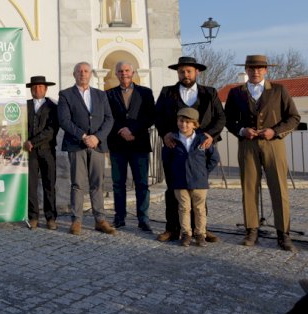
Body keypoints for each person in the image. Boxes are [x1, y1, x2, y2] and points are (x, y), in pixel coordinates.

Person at [225, 55, 301, 251]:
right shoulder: (236, 93)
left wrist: (274, 131)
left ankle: (283, 234)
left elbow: (294, 117)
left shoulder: (278, 90)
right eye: (251, 68)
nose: (255, 71)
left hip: (273, 144)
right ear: (247, 70)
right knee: (249, 188)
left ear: (266, 70)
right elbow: (228, 119)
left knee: (279, 188)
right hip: (247, 145)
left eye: (259, 68)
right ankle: (251, 230)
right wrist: (242, 130)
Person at [154, 56, 225, 243]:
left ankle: (201, 229)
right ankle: (172, 229)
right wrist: (165, 133)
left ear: (196, 72)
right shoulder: (167, 92)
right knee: (173, 189)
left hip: (200, 150)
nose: (185, 74)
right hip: (175, 147)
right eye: (181, 71)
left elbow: (220, 118)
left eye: (188, 71)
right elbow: (158, 116)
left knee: (198, 191)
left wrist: (210, 135)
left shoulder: (209, 93)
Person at [58, 62, 116, 235]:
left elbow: (109, 119)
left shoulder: (100, 95)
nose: (82, 74)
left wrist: (97, 137)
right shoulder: (66, 94)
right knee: (77, 184)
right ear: (74, 74)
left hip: (97, 146)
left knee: (97, 184)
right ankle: (76, 221)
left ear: (90, 74)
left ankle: (100, 220)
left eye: (86, 71)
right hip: (77, 145)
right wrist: (84, 137)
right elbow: (64, 120)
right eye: (79, 71)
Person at [105, 61, 155, 231]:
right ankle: (119, 217)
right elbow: (108, 117)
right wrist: (121, 130)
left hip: (139, 143)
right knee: (118, 184)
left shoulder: (145, 93)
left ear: (132, 73)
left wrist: (131, 129)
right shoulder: (109, 94)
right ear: (116, 74)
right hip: (118, 145)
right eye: (120, 71)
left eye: (127, 70)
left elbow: (150, 116)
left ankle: (143, 218)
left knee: (142, 183)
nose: (124, 73)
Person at [162, 108, 220, 247]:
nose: (184, 125)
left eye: (188, 122)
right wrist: (174, 174)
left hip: (199, 182)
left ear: (195, 124)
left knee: (199, 209)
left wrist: (203, 173)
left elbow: (213, 158)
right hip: (180, 181)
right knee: (183, 208)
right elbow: (166, 160)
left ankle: (200, 234)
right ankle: (186, 233)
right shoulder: (173, 139)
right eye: (181, 121)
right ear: (177, 122)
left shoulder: (202, 139)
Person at [24, 75, 59, 230]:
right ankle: (33, 216)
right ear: (31, 89)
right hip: (29, 152)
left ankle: (50, 217)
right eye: (34, 87)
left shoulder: (53, 106)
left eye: (40, 87)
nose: (37, 89)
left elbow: (51, 130)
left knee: (49, 184)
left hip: (47, 150)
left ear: (45, 89)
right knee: (31, 184)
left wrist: (33, 141)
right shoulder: (25, 106)